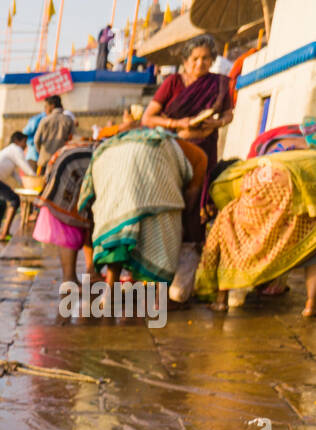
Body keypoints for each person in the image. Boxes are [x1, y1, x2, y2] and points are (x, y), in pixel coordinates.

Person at [196, 152, 316, 317]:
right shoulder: (256, 166)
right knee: (311, 244)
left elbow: (234, 221)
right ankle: (311, 305)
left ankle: (220, 301)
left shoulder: (220, 183)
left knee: (226, 235)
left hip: (262, 200)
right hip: (295, 191)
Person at [142, 35, 234, 242]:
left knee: (199, 205)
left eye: (205, 58)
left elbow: (228, 114)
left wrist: (218, 123)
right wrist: (178, 123)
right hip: (175, 149)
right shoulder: (173, 82)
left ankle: (193, 249)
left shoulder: (218, 83)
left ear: (212, 60)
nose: (200, 63)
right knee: (174, 198)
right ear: (185, 61)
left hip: (206, 148)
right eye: (195, 59)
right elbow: (148, 118)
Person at [79, 128, 193, 285]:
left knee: (118, 236)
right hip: (150, 186)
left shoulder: (118, 143)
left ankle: (109, 293)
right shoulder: (193, 155)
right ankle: (159, 301)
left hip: (111, 182)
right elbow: (191, 194)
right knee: (164, 238)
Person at [33, 143, 95, 285]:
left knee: (87, 223)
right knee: (70, 227)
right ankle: (69, 279)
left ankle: (91, 272)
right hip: (71, 171)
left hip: (69, 164)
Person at [34, 95, 76, 173]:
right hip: (61, 160)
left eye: (46, 106)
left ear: (52, 106)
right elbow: (73, 139)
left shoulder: (45, 120)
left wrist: (41, 152)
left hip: (45, 160)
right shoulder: (68, 120)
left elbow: (36, 140)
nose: (45, 109)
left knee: (41, 184)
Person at [22, 101, 50, 168]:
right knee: (34, 176)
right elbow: (26, 132)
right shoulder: (40, 118)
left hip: (42, 156)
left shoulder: (47, 118)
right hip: (35, 155)